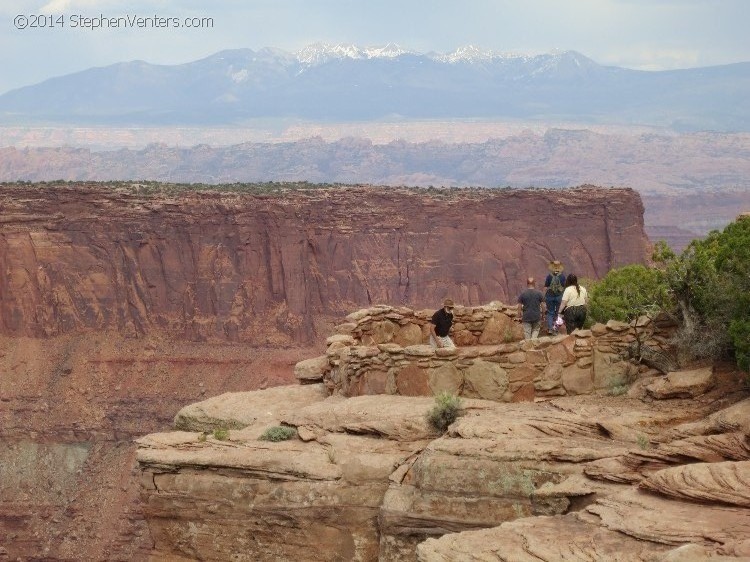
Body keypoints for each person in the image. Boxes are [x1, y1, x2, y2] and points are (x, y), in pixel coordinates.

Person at [544, 260, 566, 334]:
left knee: (550, 312)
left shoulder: (549, 276)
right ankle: (555, 329)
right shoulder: (562, 276)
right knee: (557, 313)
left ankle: (550, 328)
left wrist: (544, 296)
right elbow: (564, 287)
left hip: (550, 296)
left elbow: (545, 287)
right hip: (559, 296)